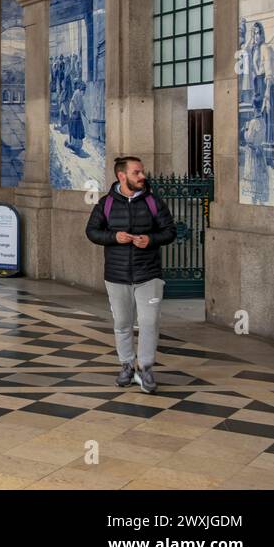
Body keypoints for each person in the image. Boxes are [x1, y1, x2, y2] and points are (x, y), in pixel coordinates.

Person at [85, 156, 177, 394]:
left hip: (149, 274)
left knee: (149, 322)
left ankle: (145, 368)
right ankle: (126, 365)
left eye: (142, 172)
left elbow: (170, 231)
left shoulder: (153, 202)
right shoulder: (106, 204)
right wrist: (113, 237)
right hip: (116, 275)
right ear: (122, 176)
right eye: (137, 172)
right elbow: (92, 231)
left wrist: (151, 240)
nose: (142, 176)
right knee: (122, 323)